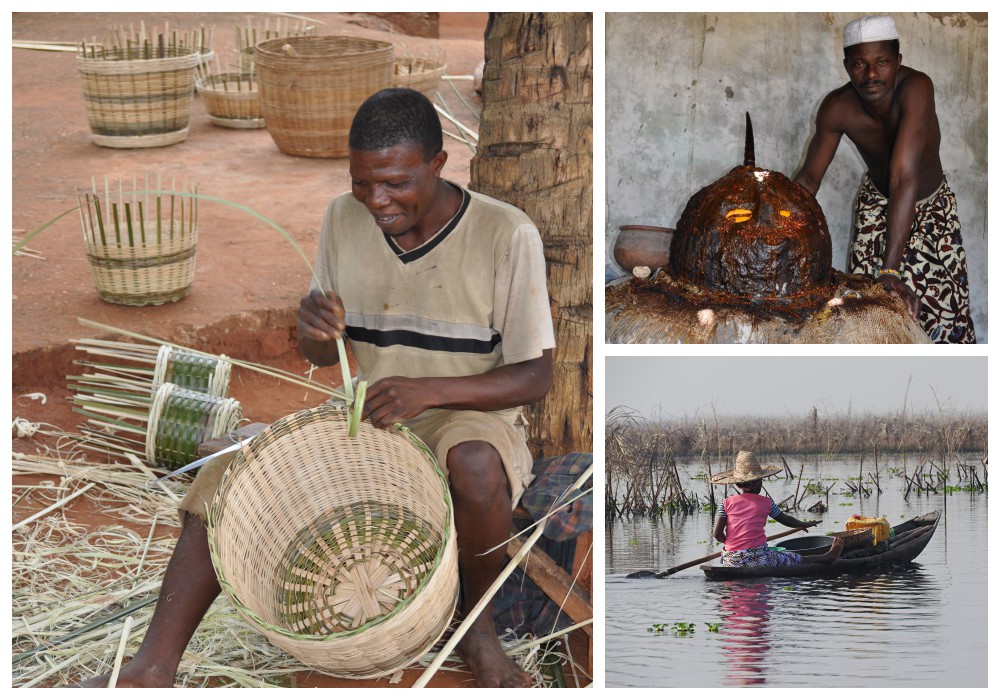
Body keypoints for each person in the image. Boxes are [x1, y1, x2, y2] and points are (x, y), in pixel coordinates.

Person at [79, 87, 555, 688]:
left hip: (467, 412)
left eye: (396, 183)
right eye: (362, 183)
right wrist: (312, 330)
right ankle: (152, 666)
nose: (376, 201)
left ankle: (477, 633)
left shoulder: (505, 234)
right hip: (372, 412)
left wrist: (429, 391)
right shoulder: (343, 219)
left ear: (438, 164)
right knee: (233, 471)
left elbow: (535, 376)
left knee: (477, 466)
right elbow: (322, 354)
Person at [793, 15, 976, 344]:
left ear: (898, 61)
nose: (871, 74)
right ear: (847, 66)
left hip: (931, 211)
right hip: (876, 207)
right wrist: (778, 228)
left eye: (881, 62)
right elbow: (808, 179)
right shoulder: (837, 107)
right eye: (859, 64)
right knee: (867, 315)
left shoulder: (917, 88)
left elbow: (904, 175)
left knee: (943, 322)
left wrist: (890, 270)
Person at [711, 451, 843, 567]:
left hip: (730, 559)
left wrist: (732, 545)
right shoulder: (766, 502)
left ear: (739, 485)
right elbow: (786, 520)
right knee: (795, 558)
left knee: (772, 553)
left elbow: (717, 534)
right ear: (758, 482)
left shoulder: (726, 503)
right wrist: (803, 524)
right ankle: (828, 557)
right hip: (758, 559)